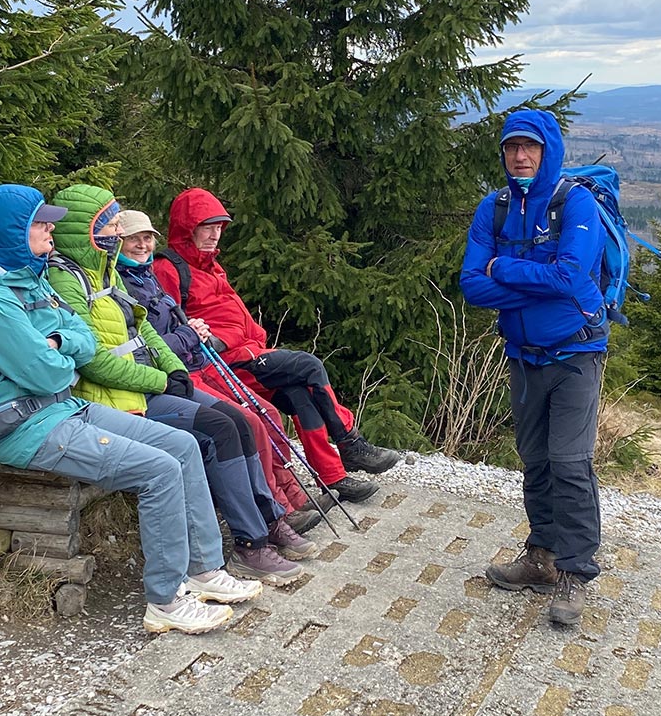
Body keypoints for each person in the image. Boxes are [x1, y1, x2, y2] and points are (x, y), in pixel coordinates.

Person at [0, 183, 262, 635]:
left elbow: (82, 338)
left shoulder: (28, 278)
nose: (50, 230)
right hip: (26, 427)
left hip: (64, 408)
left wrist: (57, 343)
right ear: (13, 233)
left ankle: (204, 570)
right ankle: (165, 600)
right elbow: (51, 375)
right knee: (158, 471)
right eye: (40, 223)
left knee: (183, 446)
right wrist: (61, 352)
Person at [44, 184, 320, 586]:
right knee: (220, 429)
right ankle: (251, 543)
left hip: (149, 383)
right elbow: (96, 361)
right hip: (120, 396)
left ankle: (269, 520)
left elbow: (145, 331)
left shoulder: (105, 270)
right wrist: (163, 379)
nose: (119, 231)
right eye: (111, 224)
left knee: (240, 421)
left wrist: (173, 370)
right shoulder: (67, 280)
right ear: (87, 228)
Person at [459, 109, 608, 628]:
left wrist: (503, 268)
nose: (520, 156)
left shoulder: (575, 203)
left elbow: (569, 278)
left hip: (575, 354)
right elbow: (472, 285)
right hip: (523, 356)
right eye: (511, 147)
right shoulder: (495, 208)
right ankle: (541, 557)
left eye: (530, 147)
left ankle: (575, 572)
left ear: (548, 152)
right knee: (537, 461)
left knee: (569, 463)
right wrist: (534, 281)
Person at [156, 188, 401, 504]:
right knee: (308, 366)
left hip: (249, 352)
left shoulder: (211, 266)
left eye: (219, 227)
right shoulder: (169, 268)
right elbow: (170, 323)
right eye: (206, 227)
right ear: (186, 228)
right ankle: (349, 441)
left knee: (299, 394)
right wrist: (221, 340)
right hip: (223, 362)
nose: (215, 235)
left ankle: (334, 478)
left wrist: (252, 337)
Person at [112, 210, 318, 529]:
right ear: (117, 243)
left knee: (267, 413)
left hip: (197, 360)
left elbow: (170, 325)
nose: (142, 245)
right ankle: (276, 509)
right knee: (249, 421)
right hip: (177, 372)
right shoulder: (126, 283)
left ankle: (293, 498)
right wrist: (188, 334)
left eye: (147, 238)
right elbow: (148, 346)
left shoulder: (147, 275)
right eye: (133, 239)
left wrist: (192, 329)